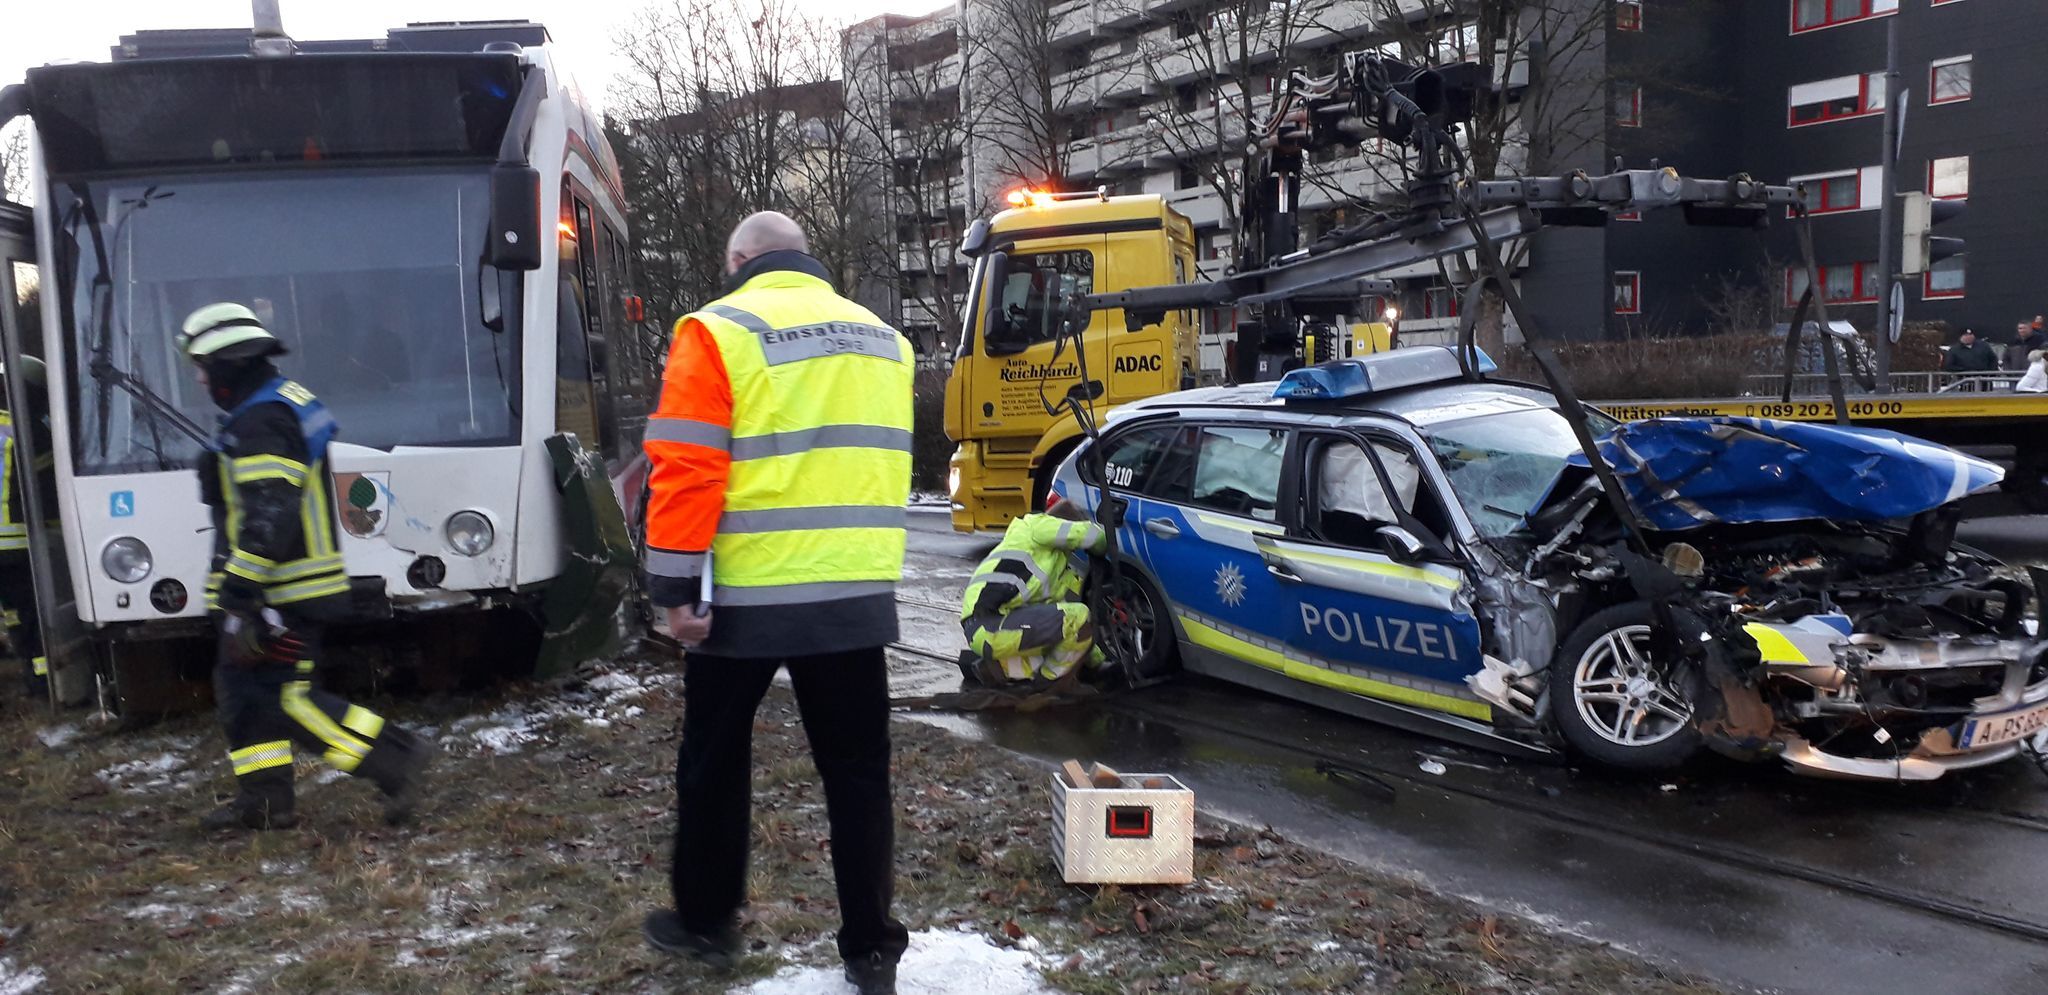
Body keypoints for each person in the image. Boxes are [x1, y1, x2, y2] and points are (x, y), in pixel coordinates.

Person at [639, 212, 914, 994]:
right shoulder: (885, 340)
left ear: (739, 258)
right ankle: (872, 949)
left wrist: (676, 590)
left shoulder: (717, 330)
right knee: (858, 774)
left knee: (715, 761)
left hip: (744, 598)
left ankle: (706, 923)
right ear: (804, 256)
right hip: (852, 596)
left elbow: (686, 469)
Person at [178, 303, 433, 832]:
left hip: (283, 592)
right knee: (244, 695)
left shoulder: (262, 420)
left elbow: (269, 510)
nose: (200, 380)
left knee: (287, 700)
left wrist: (241, 591)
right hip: (278, 588)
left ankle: (397, 760)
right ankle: (264, 801)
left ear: (227, 365)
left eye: (202, 368)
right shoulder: (272, 406)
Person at [958, 499, 1106, 687]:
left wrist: (1097, 662)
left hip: (989, 628)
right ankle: (1050, 684)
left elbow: (1076, 630)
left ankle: (1001, 668)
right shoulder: (1035, 525)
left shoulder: (1051, 566)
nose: (1075, 549)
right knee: (1077, 617)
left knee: (1063, 638)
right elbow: (1092, 536)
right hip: (989, 625)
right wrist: (1105, 547)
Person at [0, 357, 53, 697]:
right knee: (31, 613)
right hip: (15, 545)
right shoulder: (29, 430)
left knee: (14, 613)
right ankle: (42, 682)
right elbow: (49, 488)